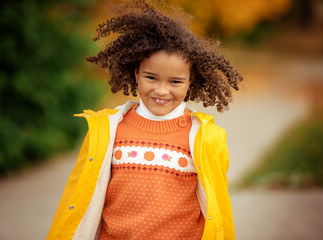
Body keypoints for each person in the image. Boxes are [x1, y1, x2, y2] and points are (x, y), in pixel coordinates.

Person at [47, 0, 243, 239]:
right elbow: (81, 196)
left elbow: (218, 209)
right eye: (152, 77)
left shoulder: (205, 137)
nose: (161, 91)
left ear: (190, 81)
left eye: (175, 81)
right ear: (136, 73)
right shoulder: (108, 130)